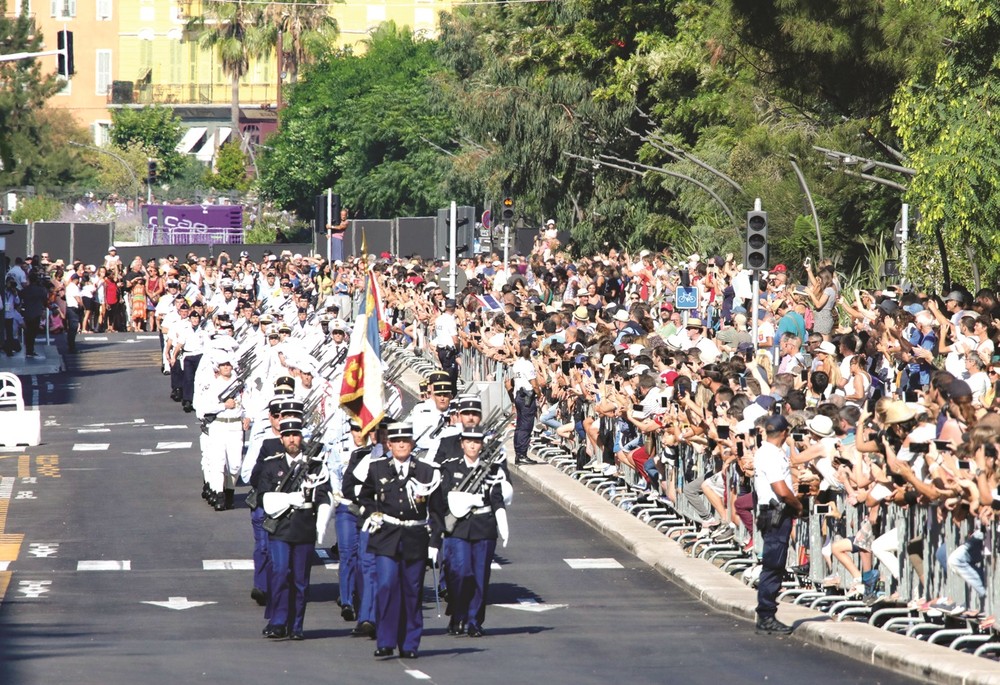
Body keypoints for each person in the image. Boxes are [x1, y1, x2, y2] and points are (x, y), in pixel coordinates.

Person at [359, 422, 443, 659]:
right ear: (389, 444)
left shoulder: (426, 471)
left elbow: (436, 510)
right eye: (397, 441)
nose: (401, 445)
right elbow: (364, 497)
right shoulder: (378, 469)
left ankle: (409, 643)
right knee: (386, 586)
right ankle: (385, 640)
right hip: (386, 536)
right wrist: (371, 513)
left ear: (412, 444)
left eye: (406, 441)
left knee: (412, 590)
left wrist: (435, 542)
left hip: (415, 537)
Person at [258, 416, 333, 640]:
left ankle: (296, 625)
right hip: (280, 528)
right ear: (281, 439)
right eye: (288, 435)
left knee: (300, 581)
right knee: (280, 572)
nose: (292, 439)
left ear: (302, 438)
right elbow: (263, 497)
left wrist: (321, 525)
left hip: (303, 528)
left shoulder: (316, 466)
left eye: (296, 435)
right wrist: (289, 498)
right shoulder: (272, 464)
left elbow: (324, 496)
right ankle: (278, 620)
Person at [437, 427, 510, 637]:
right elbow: (443, 498)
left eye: (476, 442)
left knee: (479, 577)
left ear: (482, 445)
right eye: (468, 441)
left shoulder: (492, 470)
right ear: (461, 443)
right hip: (459, 527)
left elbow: (496, 499)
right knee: (460, 573)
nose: (472, 445)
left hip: (483, 526)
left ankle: (474, 621)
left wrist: (503, 524)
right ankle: (458, 614)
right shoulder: (450, 468)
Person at [753, 415, 802, 635]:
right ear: (784, 433)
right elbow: (781, 490)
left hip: (773, 512)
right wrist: (798, 505)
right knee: (773, 564)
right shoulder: (770, 454)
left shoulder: (767, 452)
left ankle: (767, 612)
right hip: (775, 513)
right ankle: (766, 614)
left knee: (775, 563)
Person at [507, 340, 541, 465]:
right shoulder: (528, 365)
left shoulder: (517, 364)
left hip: (518, 397)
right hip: (527, 397)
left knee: (520, 425)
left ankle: (519, 453)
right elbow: (534, 384)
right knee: (526, 427)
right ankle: (522, 453)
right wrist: (539, 394)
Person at [20, 271, 49, 358]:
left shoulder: (25, 290)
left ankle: (29, 349)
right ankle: (30, 350)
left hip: (27, 312)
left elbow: (20, 297)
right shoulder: (41, 290)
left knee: (28, 332)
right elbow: (45, 300)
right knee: (33, 332)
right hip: (37, 312)